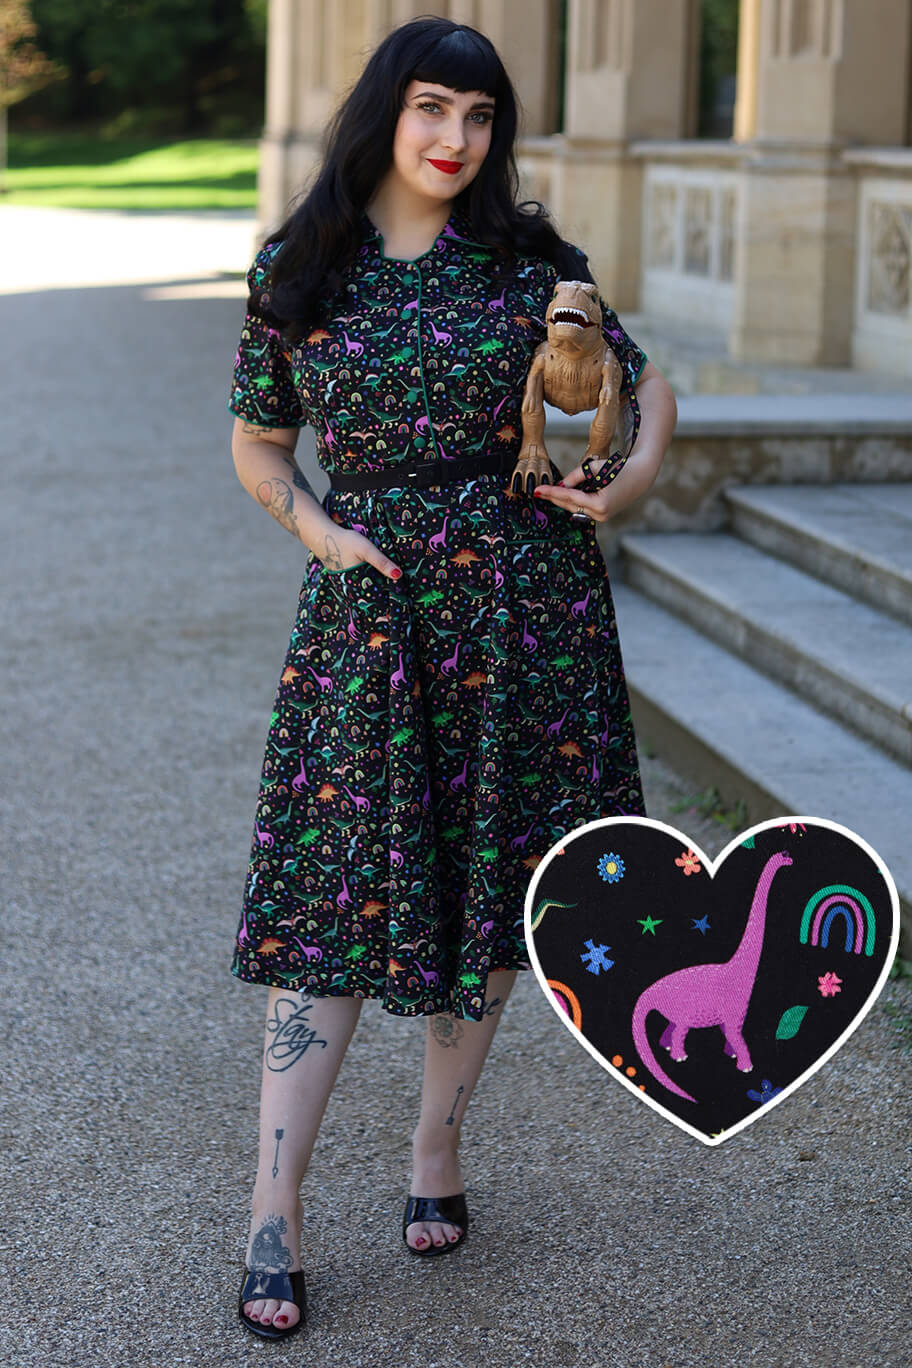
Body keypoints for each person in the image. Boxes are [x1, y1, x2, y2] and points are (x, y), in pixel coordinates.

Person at [227, 15, 677, 1340]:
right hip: (371, 621)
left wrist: (622, 484)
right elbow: (258, 445)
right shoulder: (301, 266)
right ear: (386, 112)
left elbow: (641, 397)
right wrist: (320, 531)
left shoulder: (531, 262)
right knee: (331, 911)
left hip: (525, 615)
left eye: (479, 120)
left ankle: (436, 1144)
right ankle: (274, 1212)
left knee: (489, 900)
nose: (455, 141)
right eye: (433, 110)